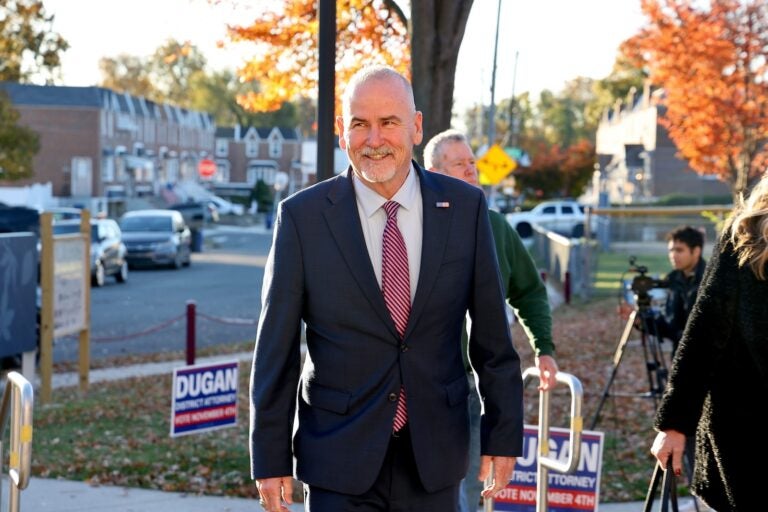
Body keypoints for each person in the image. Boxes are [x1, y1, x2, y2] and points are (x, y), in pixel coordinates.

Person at [249, 65, 524, 512]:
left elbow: (493, 336)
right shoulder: (302, 218)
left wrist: (504, 434)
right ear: (343, 133)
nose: (374, 139)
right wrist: (269, 458)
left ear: (415, 127)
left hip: (435, 452)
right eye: (360, 124)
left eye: (389, 122)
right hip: (337, 458)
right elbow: (275, 352)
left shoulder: (465, 209)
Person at [423, 129, 557, 512]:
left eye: (473, 164)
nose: (471, 172)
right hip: (424, 383)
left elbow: (529, 292)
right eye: (459, 164)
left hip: (475, 384)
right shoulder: (415, 227)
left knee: (465, 491)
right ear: (434, 171)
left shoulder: (496, 226)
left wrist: (543, 349)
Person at [650, 174, 768, 511]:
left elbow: (705, 332)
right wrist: (674, 422)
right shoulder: (745, 237)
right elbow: (704, 331)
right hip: (744, 431)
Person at [655, 226, 706, 354]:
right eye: (671, 250)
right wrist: (642, 321)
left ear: (696, 251)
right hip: (679, 357)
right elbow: (670, 327)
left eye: (679, 250)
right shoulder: (672, 279)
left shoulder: (710, 280)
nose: (673, 255)